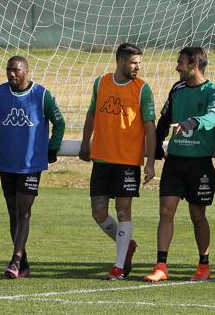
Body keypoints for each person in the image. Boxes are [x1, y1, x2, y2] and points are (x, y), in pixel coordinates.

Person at [144, 46, 215, 282]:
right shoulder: (177, 89)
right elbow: (164, 119)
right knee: (165, 211)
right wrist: (155, 152)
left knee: (197, 214)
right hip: (175, 162)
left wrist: (192, 122)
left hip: (200, 164)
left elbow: (214, 116)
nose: (177, 67)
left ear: (194, 65)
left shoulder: (213, 92)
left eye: (181, 62)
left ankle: (203, 266)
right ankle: (161, 266)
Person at [79, 43, 156, 280]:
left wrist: (150, 162)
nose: (137, 68)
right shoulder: (101, 83)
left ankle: (119, 267)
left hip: (127, 161)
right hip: (102, 158)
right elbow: (92, 114)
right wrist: (85, 142)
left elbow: (150, 127)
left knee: (123, 211)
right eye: (133, 63)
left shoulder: (142, 89)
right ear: (121, 62)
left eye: (139, 64)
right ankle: (127, 245)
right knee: (98, 213)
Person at [0, 55, 65, 279]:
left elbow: (59, 122)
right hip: (5, 161)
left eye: (17, 70)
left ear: (26, 71)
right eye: (9, 69)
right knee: (13, 212)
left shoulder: (41, 95)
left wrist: (52, 148)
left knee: (24, 211)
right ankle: (24, 264)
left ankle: (15, 260)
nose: (12, 74)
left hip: (31, 163)